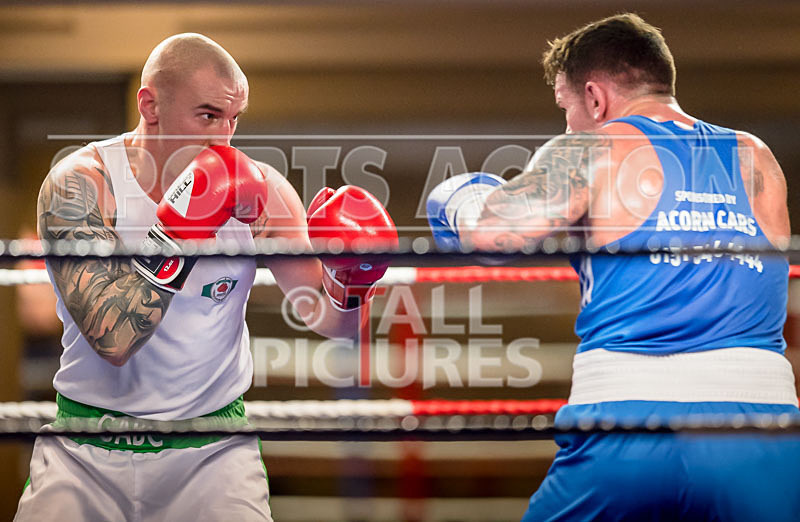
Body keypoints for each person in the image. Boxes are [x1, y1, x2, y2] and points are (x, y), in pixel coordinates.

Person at [427, 13, 800, 521]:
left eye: (566, 107)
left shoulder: (594, 147)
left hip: (630, 424)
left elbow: (492, 234)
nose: (566, 123)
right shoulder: (754, 157)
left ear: (596, 98)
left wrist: (460, 198)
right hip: (762, 432)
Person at [16, 33, 397, 521]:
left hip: (212, 453)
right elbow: (110, 340)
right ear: (150, 104)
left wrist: (352, 281)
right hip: (86, 448)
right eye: (208, 115)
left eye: (233, 119)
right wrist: (181, 228)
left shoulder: (263, 194)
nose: (224, 137)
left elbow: (329, 320)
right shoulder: (83, 184)